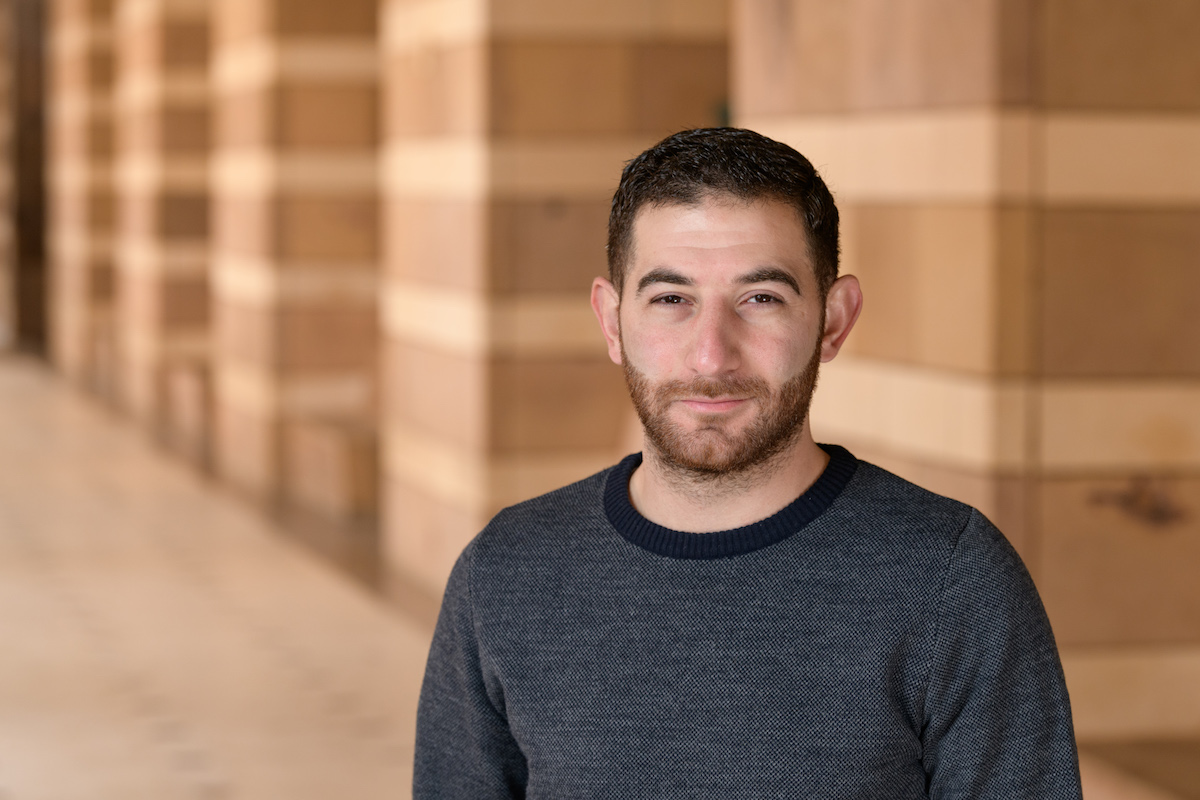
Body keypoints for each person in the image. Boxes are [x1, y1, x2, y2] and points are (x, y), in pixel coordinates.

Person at [413, 128, 1082, 798]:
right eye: (671, 299)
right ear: (613, 322)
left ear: (833, 320)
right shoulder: (505, 574)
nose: (711, 357)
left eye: (761, 298)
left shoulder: (953, 581)